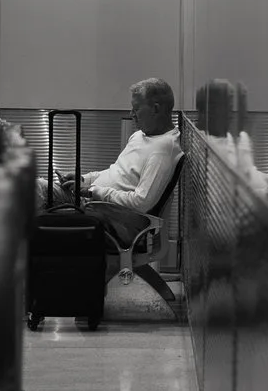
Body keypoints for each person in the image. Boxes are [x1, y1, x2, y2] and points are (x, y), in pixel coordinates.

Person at [56, 77, 182, 267]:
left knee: (38, 197)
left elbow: (141, 203)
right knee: (40, 190)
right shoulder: (140, 135)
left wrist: (94, 192)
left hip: (117, 220)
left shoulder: (164, 148)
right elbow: (115, 172)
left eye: (137, 108)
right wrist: (85, 179)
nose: (132, 114)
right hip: (97, 205)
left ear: (156, 109)